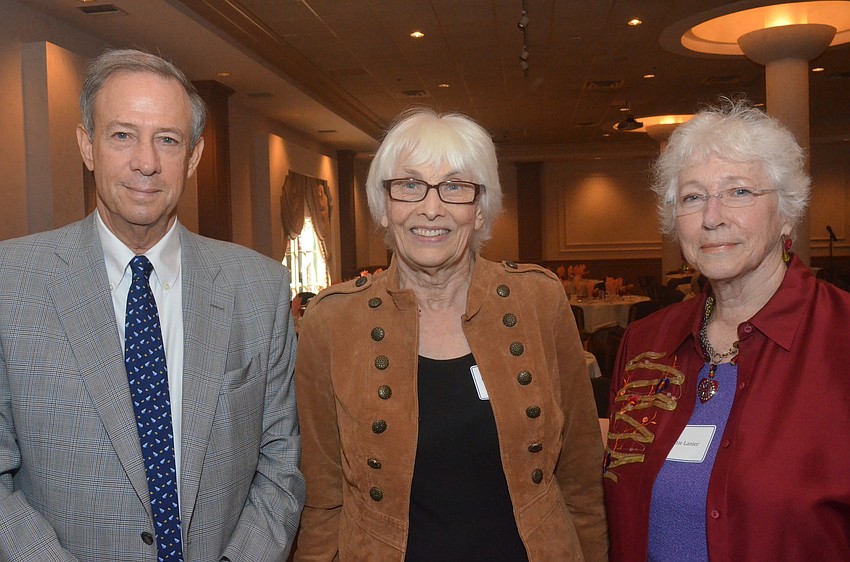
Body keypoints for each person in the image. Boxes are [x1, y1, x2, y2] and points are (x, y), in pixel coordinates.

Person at [0, 49, 305, 561]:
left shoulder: (258, 288)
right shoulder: (11, 282)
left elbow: (281, 462)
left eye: (168, 139)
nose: (146, 162)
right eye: (122, 135)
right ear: (86, 145)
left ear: (194, 156)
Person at [294, 108, 608, 561]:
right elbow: (322, 497)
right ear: (384, 208)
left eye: (456, 187)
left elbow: (580, 475)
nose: (431, 207)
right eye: (409, 185)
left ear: (480, 211)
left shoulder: (538, 301)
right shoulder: (332, 322)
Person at [603, 99, 850, 561]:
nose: (712, 217)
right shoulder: (645, 340)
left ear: (787, 212)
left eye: (738, 192)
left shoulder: (841, 340)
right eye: (693, 197)